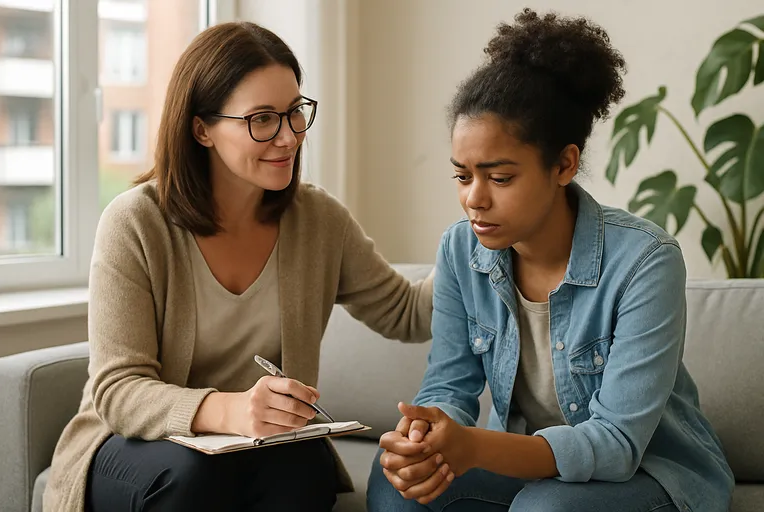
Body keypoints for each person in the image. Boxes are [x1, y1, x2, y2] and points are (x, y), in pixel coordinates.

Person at [43, 21, 433, 512]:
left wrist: (481, 235)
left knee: (306, 466)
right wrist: (227, 409)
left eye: (295, 113)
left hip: (256, 447)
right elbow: (118, 392)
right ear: (202, 128)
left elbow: (406, 311)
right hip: (137, 444)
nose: (289, 137)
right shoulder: (135, 223)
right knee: (190, 475)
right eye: (262, 119)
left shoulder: (318, 220)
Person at [368, 8, 733, 512]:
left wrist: (473, 446)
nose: (474, 198)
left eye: (499, 178)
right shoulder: (459, 251)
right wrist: (425, 435)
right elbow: (450, 386)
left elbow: (616, 446)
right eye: (462, 176)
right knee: (394, 482)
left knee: (547, 508)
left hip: (649, 476)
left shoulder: (646, 261)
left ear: (564, 164)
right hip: (527, 475)